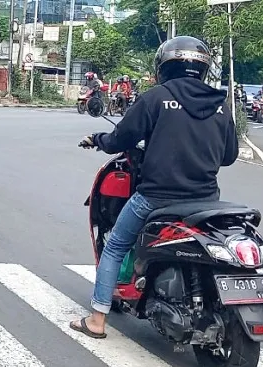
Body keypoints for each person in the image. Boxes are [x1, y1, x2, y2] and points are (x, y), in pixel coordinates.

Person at [71, 35, 238, 339]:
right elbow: (228, 157)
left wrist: (98, 139)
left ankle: (96, 320)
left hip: (156, 198)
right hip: (206, 201)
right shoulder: (220, 105)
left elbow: (119, 140)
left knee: (116, 246)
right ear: (203, 68)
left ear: (164, 67)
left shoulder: (155, 98)